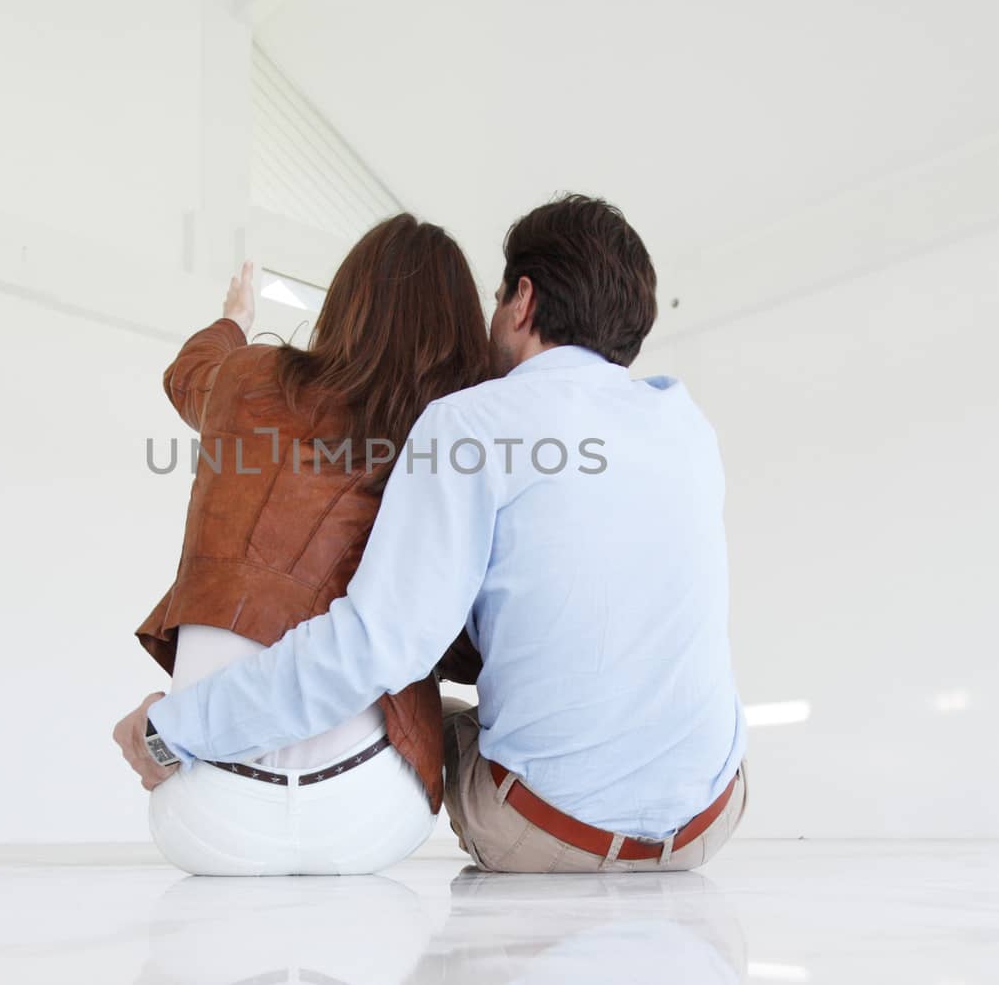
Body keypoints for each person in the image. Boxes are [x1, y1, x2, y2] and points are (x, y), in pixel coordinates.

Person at [116, 194, 748, 873]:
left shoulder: (469, 424)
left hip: (548, 834)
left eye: (499, 294)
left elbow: (376, 646)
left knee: (404, 679)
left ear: (522, 301)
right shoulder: (687, 426)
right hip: (709, 823)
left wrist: (172, 730)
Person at [123, 214, 492, 875]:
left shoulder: (244, 379)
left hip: (200, 816)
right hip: (374, 819)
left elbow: (187, 372)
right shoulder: (449, 441)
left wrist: (234, 318)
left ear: (346, 302)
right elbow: (458, 648)